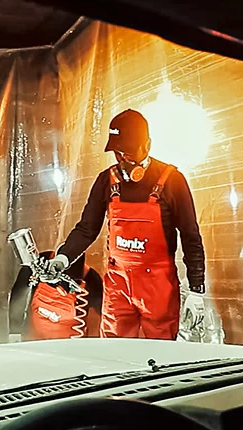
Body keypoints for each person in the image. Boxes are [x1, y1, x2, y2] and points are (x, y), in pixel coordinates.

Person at [46, 109, 205, 340]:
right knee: (113, 350)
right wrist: (63, 257)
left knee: (160, 355)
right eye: (117, 154)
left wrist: (196, 290)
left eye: (128, 153)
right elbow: (86, 228)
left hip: (158, 288)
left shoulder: (171, 181)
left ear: (147, 146)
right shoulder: (106, 180)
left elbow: (191, 236)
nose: (122, 160)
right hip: (118, 285)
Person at [9, 251, 102, 341]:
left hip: (68, 346)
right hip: (33, 340)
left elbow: (101, 314)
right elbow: (18, 297)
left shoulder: (92, 280)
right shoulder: (39, 264)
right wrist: (14, 332)